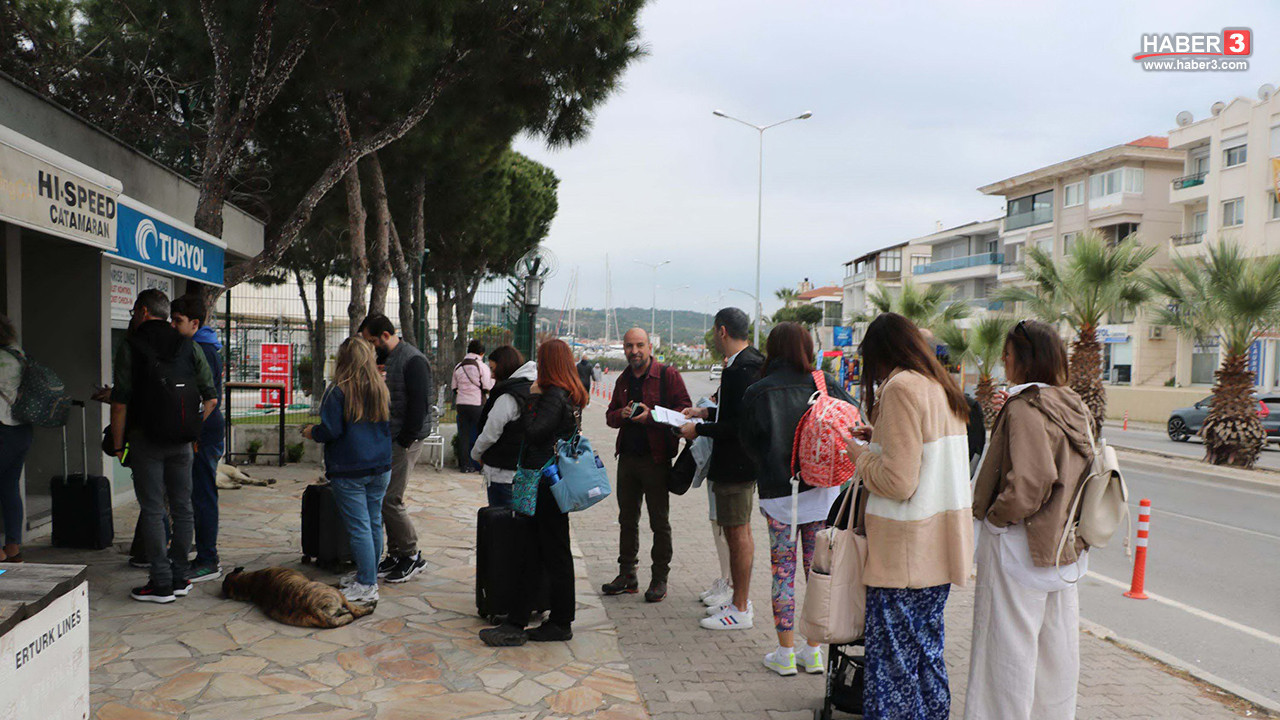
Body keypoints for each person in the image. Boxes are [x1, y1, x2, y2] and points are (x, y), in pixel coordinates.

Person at [843, 312, 974, 719]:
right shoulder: (940, 386)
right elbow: (926, 456)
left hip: (904, 555)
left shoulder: (900, 388)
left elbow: (898, 482)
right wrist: (879, 439)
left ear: (881, 353)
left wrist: (860, 456)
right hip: (939, 549)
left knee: (892, 667)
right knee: (927, 656)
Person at [965, 320, 1092, 720]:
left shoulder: (1024, 407)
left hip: (1018, 545)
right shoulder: (1074, 404)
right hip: (1062, 546)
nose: (1003, 362)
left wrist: (996, 520)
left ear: (1024, 358)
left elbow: (1029, 484)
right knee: (1056, 655)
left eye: (1007, 355)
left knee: (1006, 653)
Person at [740, 322, 854, 675]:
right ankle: (813, 651)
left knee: (783, 573)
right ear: (807, 347)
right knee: (817, 574)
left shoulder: (758, 391)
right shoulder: (824, 382)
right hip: (822, 494)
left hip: (779, 497)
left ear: (773, 349)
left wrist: (769, 468)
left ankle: (785, 653)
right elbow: (854, 420)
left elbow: (748, 443)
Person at [110, 289, 218, 603]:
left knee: (153, 509)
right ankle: (180, 577)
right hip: (183, 442)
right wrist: (191, 428)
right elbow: (210, 398)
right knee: (183, 509)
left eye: (134, 312)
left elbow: (120, 403)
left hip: (146, 440)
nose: (133, 317)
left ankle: (160, 583)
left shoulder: (131, 346)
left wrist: (117, 445)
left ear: (143, 312)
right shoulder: (188, 345)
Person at [479, 339, 588, 646]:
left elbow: (534, 432)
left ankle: (554, 622)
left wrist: (532, 399)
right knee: (542, 552)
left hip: (543, 484)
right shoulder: (569, 393)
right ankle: (524, 620)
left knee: (548, 552)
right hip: (551, 482)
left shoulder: (553, 395)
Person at [679, 308, 764, 630]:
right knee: (737, 531)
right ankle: (737, 599)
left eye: (715, 332)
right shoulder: (752, 362)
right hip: (742, 462)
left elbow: (736, 425)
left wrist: (697, 430)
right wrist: (704, 412)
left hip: (735, 465)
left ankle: (740, 607)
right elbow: (733, 413)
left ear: (722, 331)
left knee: (738, 534)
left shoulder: (740, 369)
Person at [602, 328, 691, 603]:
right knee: (626, 520)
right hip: (627, 459)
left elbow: (685, 413)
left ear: (650, 347)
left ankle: (659, 578)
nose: (634, 351)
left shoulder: (668, 375)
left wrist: (651, 417)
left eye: (640, 345)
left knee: (659, 522)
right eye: (629, 346)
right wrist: (622, 413)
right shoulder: (623, 379)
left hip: (656, 460)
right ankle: (627, 575)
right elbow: (610, 416)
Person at [302, 337, 392, 606]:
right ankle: (368, 575)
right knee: (373, 522)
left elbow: (331, 430)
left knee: (359, 527)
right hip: (380, 465)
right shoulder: (379, 387)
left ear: (344, 359)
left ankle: (366, 584)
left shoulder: (338, 390)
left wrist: (312, 432)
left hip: (350, 468)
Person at [358, 314, 432, 584]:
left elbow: (419, 405)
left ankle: (411, 555)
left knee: (391, 499)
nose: (370, 346)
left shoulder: (413, 360)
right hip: (391, 437)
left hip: (404, 440)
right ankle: (396, 553)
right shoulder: (385, 359)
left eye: (372, 341)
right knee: (384, 499)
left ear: (386, 336)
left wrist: (405, 440)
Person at [170, 294, 225, 582]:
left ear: (194, 323)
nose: (172, 325)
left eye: (177, 321)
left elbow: (208, 400)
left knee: (203, 497)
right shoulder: (198, 346)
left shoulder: (202, 350)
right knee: (194, 496)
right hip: (198, 433)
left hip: (203, 434)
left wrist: (192, 432)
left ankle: (208, 559)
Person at [471, 345, 535, 507]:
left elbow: (491, 432)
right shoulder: (530, 388)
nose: (492, 375)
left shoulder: (507, 396)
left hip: (502, 472)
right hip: (525, 469)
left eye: (493, 369)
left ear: (503, 367)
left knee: (501, 518)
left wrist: (476, 453)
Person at [0, 313, 33, 563]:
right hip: (21, 430)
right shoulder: (18, 354)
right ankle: (13, 549)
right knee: (10, 488)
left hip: (2, 428)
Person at [451, 339, 493, 473]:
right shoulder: (482, 366)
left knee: (463, 435)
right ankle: (480, 465)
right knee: (481, 434)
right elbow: (487, 386)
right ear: (482, 353)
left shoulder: (458, 366)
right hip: (477, 404)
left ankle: (465, 465)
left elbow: (454, 387)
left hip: (461, 404)